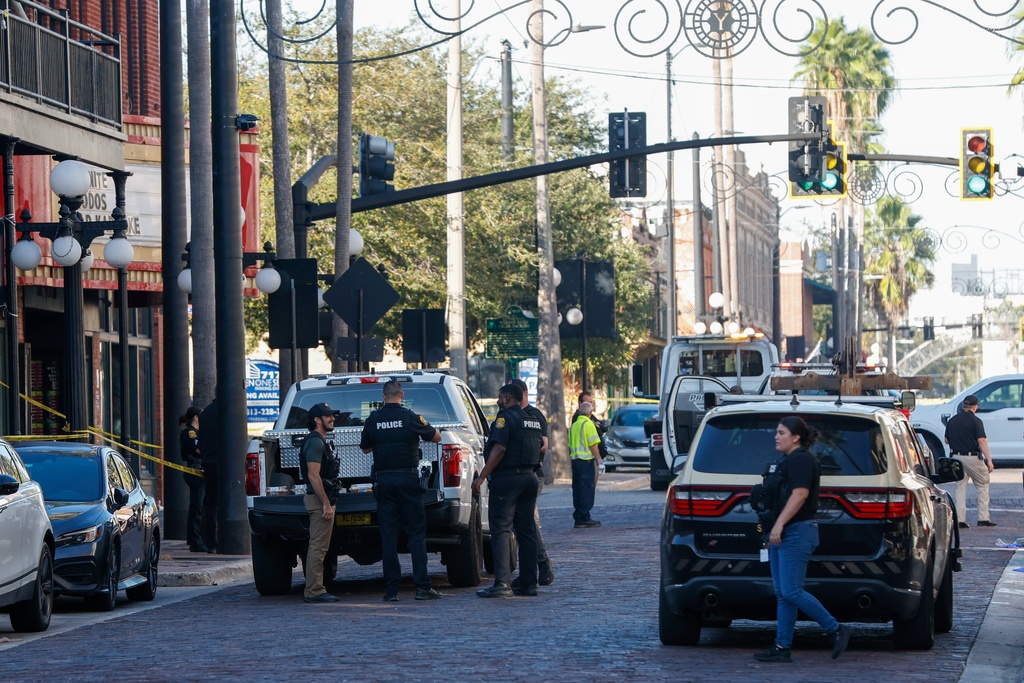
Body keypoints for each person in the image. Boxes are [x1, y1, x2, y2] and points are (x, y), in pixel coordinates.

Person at [754, 416, 850, 663]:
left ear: (795, 437)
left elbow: (800, 495)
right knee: (783, 593)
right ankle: (781, 646)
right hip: (783, 531)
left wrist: (779, 525)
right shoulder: (788, 460)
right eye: (777, 432)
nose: (776, 436)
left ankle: (835, 628)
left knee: (792, 590)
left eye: (781, 432)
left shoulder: (801, 461)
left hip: (796, 531)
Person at [360, 380, 444, 602]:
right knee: (416, 534)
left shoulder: (374, 419)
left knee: (388, 537)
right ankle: (422, 587)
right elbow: (436, 437)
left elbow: (366, 447)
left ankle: (391, 591)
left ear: (383, 396)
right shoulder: (410, 417)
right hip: (407, 479)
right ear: (402, 395)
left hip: (384, 480)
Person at [473, 382, 542, 598]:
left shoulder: (504, 419)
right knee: (527, 530)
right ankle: (529, 583)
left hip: (507, 479)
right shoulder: (532, 421)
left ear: (507, 399)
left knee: (501, 529)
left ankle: (503, 583)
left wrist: (482, 476)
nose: (497, 400)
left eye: (500, 397)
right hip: (529, 478)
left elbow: (499, 449)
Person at [506, 379, 554, 587]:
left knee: (528, 524)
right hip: (518, 475)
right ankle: (534, 569)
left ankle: (541, 565)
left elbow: (543, 445)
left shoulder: (534, 415)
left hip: (532, 473)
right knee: (523, 525)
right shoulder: (510, 416)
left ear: (524, 394)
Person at [300, 402, 343, 603]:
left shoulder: (318, 441)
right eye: (328, 416)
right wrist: (325, 503)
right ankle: (314, 590)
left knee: (319, 547)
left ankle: (315, 588)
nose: (332, 418)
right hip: (318, 501)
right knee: (318, 547)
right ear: (317, 420)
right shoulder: (316, 442)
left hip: (319, 499)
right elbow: (313, 475)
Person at [944, 394, 996, 528]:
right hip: (972, 457)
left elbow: (947, 440)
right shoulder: (976, 421)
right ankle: (983, 517)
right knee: (982, 484)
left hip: (956, 457)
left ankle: (960, 520)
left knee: (960, 487)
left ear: (963, 405)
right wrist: (989, 460)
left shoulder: (952, 420)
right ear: (975, 406)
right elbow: (981, 441)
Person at [568, 401, 603, 528]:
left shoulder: (574, 425)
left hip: (575, 461)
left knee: (577, 489)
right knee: (587, 489)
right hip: (586, 461)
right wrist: (599, 460)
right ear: (590, 413)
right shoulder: (588, 424)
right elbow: (593, 444)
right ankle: (584, 516)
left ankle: (578, 515)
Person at [178, 406, 206, 553]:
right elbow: (199, 450)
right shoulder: (190, 433)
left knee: (199, 507)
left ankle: (195, 539)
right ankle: (195, 541)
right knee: (197, 509)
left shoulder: (196, 432)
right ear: (195, 417)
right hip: (195, 473)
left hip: (198, 473)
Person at [198, 398, 219, 554]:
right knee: (224, 503)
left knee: (210, 503)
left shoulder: (205, 414)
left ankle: (210, 541)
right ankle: (220, 540)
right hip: (223, 462)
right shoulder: (228, 410)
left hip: (207, 460)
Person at [572, 391, 608, 460]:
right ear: (580, 403)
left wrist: (597, 426)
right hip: (585, 458)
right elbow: (595, 437)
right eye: (587, 403)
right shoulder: (579, 416)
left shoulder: (590, 416)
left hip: (591, 457)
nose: (590, 405)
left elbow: (604, 428)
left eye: (591, 402)